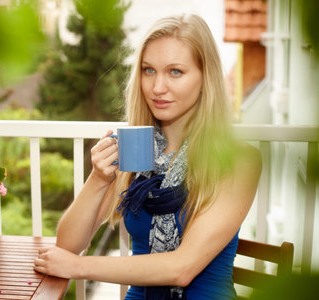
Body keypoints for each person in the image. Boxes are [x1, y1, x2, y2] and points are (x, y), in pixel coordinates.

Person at [34, 13, 262, 300]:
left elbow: (183, 267)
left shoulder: (238, 160)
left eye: (175, 72)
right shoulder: (133, 147)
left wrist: (79, 267)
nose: (157, 88)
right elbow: (67, 246)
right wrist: (98, 179)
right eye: (148, 70)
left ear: (206, 78)